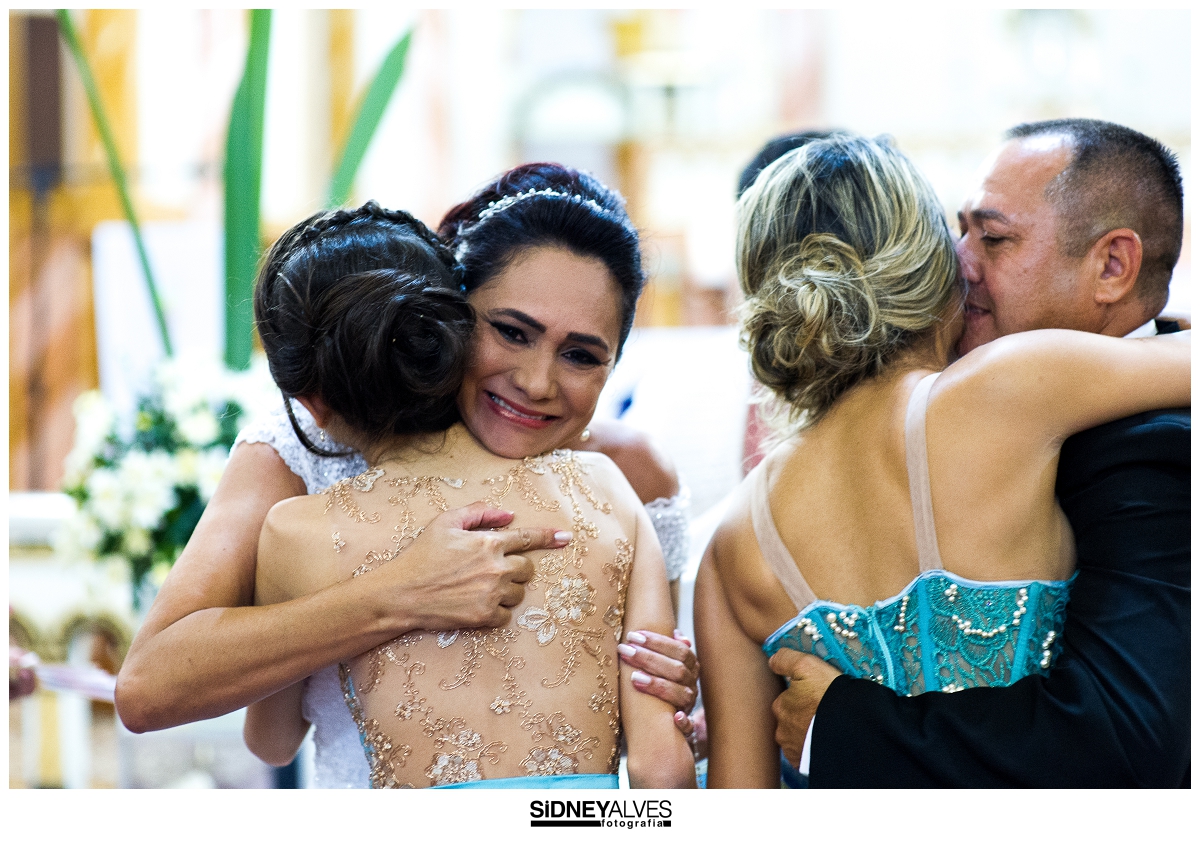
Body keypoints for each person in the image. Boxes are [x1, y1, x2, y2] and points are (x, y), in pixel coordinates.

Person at [114, 193, 698, 790]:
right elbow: (146, 687)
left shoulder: (623, 469)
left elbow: (270, 739)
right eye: (511, 332)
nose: (536, 383)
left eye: (580, 355)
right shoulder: (604, 491)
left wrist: (679, 701)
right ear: (450, 317)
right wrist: (398, 592)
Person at [694, 132, 1189, 787]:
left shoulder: (728, 550)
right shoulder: (1010, 387)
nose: (968, 260)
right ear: (929, 264)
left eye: (990, 236)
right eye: (960, 236)